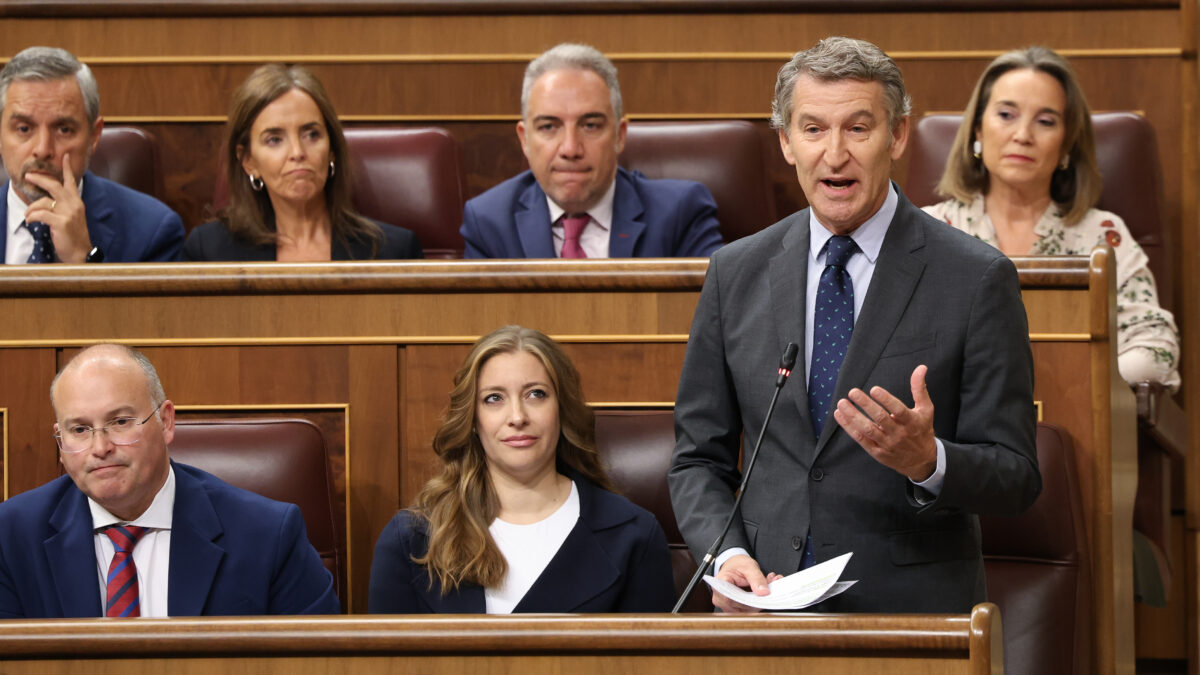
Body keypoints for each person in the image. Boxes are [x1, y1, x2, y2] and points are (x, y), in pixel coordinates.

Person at [668, 37, 1041, 614]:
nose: (835, 154)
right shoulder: (735, 272)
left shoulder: (976, 278)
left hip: (910, 614)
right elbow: (698, 459)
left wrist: (929, 461)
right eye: (813, 129)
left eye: (858, 128)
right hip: (766, 604)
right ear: (786, 143)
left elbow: (1016, 476)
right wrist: (726, 557)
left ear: (896, 136)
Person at [0, 344, 340, 618]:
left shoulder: (267, 535)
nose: (100, 448)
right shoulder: (12, 537)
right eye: (79, 430)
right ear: (60, 441)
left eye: (120, 422)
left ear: (165, 422)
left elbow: (319, 664)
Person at [923, 46, 1180, 391]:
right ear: (978, 131)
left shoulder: (1102, 235)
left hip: (1076, 426)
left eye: (1045, 121)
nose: (1023, 135)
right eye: (1006, 115)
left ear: (1066, 144)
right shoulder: (928, 232)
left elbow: (1156, 345)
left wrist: (1075, 387)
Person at [369, 325, 674, 613]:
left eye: (535, 394)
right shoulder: (411, 539)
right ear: (473, 421)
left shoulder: (634, 535)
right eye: (494, 398)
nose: (517, 416)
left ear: (562, 409)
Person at [459, 43, 724, 259]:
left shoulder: (680, 214)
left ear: (619, 136)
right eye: (549, 126)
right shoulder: (489, 221)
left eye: (590, 125)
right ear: (524, 139)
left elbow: (709, 319)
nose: (571, 149)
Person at [182, 64, 423, 261]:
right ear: (248, 161)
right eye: (275, 139)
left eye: (312, 135)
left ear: (331, 151)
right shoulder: (209, 251)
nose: (298, 152)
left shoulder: (392, 250)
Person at [0, 47, 184, 264]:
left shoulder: (153, 230)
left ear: (94, 136)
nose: (42, 149)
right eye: (24, 129)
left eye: (63, 130)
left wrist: (83, 258)